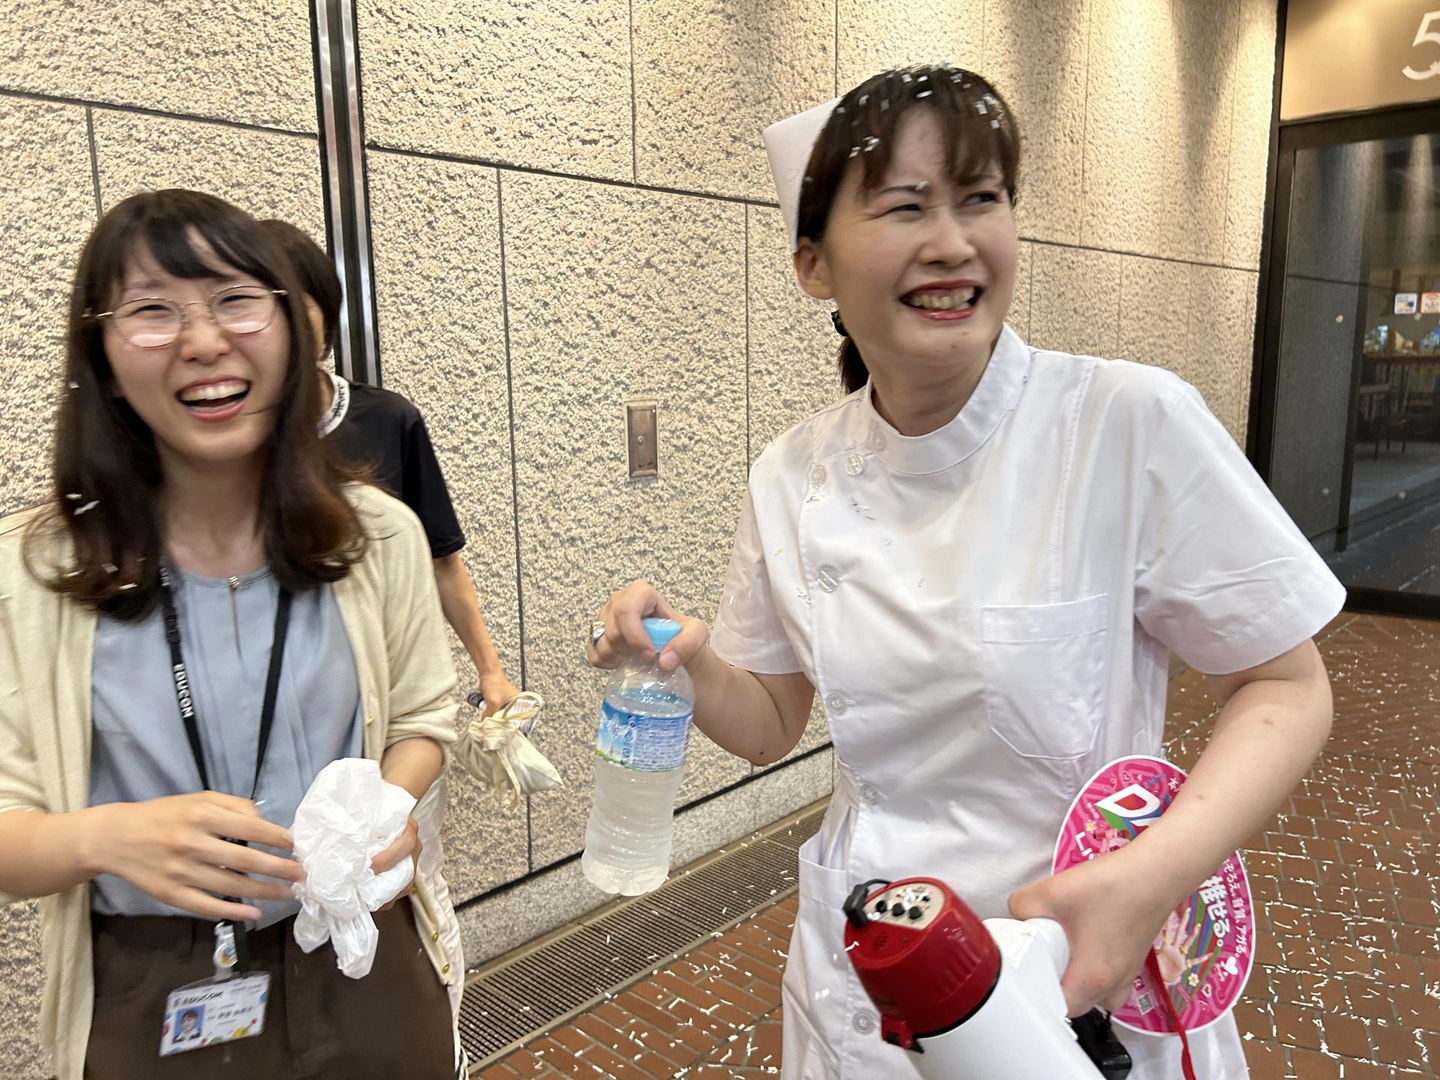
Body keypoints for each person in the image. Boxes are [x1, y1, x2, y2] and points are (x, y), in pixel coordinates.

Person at [587, 65, 1342, 1080]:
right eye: (905, 206)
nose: (951, 241)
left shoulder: (1124, 424)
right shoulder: (791, 473)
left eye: (981, 198)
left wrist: (1152, 878)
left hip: (1081, 968)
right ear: (813, 266)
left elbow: (1286, 685)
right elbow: (769, 721)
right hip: (867, 984)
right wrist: (683, 658)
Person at [0, 189, 461, 1080]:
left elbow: (423, 719)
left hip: (360, 948)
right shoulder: (32, 574)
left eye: (236, 300)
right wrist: (105, 839)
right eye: (152, 310)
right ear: (102, 359)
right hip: (151, 983)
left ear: (294, 334)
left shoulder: (380, 535)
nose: (204, 339)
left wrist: (384, 808)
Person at [259, 218, 520, 717]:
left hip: (388, 689)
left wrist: (490, 669)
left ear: (326, 317)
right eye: (261, 307)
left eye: (296, 303)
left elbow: (442, 562)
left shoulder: (388, 419)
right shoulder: (230, 441)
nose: (281, 323)